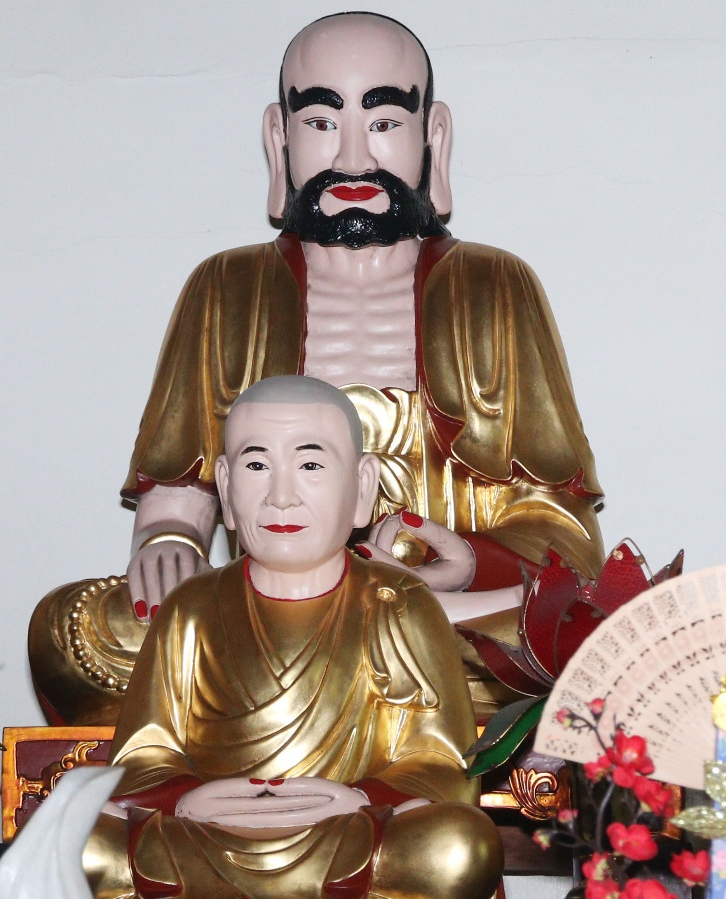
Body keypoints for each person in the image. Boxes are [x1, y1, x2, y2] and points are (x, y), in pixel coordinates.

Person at [29, 11, 603, 726]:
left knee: (585, 629)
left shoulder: (493, 286)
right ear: (280, 137)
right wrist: (170, 540)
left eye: (384, 122)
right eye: (322, 122)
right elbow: (182, 485)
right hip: (266, 612)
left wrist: (465, 560)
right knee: (72, 632)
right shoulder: (226, 286)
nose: (354, 158)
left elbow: (563, 529)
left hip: (443, 611)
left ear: (433, 135)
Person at [82, 376, 503, 899]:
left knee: (455, 846)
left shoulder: (400, 601)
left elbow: (444, 764)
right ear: (225, 488)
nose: (281, 497)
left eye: (310, 466)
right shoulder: (192, 606)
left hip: (347, 833)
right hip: (210, 832)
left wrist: (359, 800)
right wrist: (187, 799)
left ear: (363, 487)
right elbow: (142, 756)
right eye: (257, 466)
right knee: (83, 842)